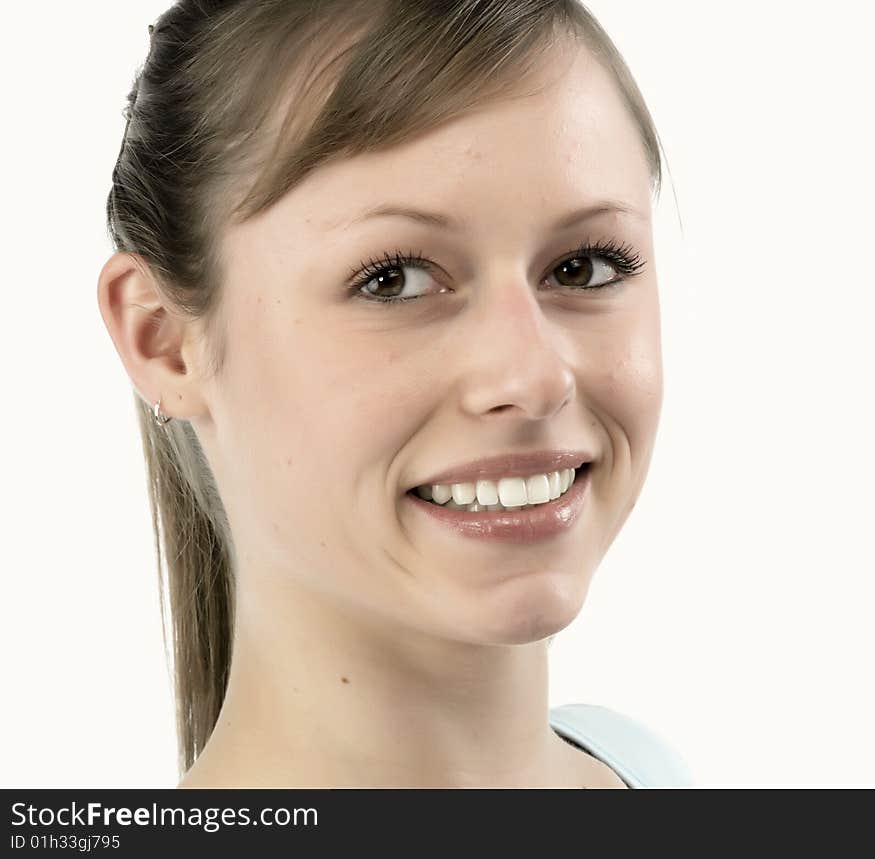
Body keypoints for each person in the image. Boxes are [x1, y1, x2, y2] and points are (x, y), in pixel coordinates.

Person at [97, 0, 692, 788]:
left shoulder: (648, 771)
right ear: (164, 339)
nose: (535, 376)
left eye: (584, 266)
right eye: (396, 279)